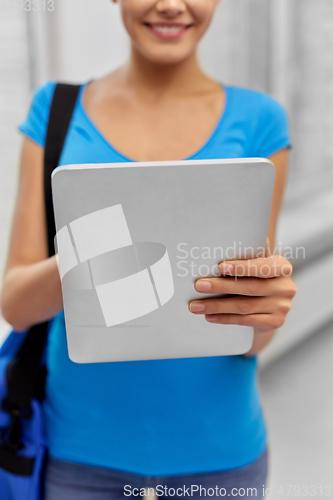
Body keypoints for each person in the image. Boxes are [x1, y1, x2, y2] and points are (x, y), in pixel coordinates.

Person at [0, 0, 297, 498]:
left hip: (218, 454)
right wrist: (90, 250)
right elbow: (15, 304)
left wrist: (264, 315)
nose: (171, 4)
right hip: (80, 454)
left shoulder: (261, 120)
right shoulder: (54, 110)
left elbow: (250, 336)